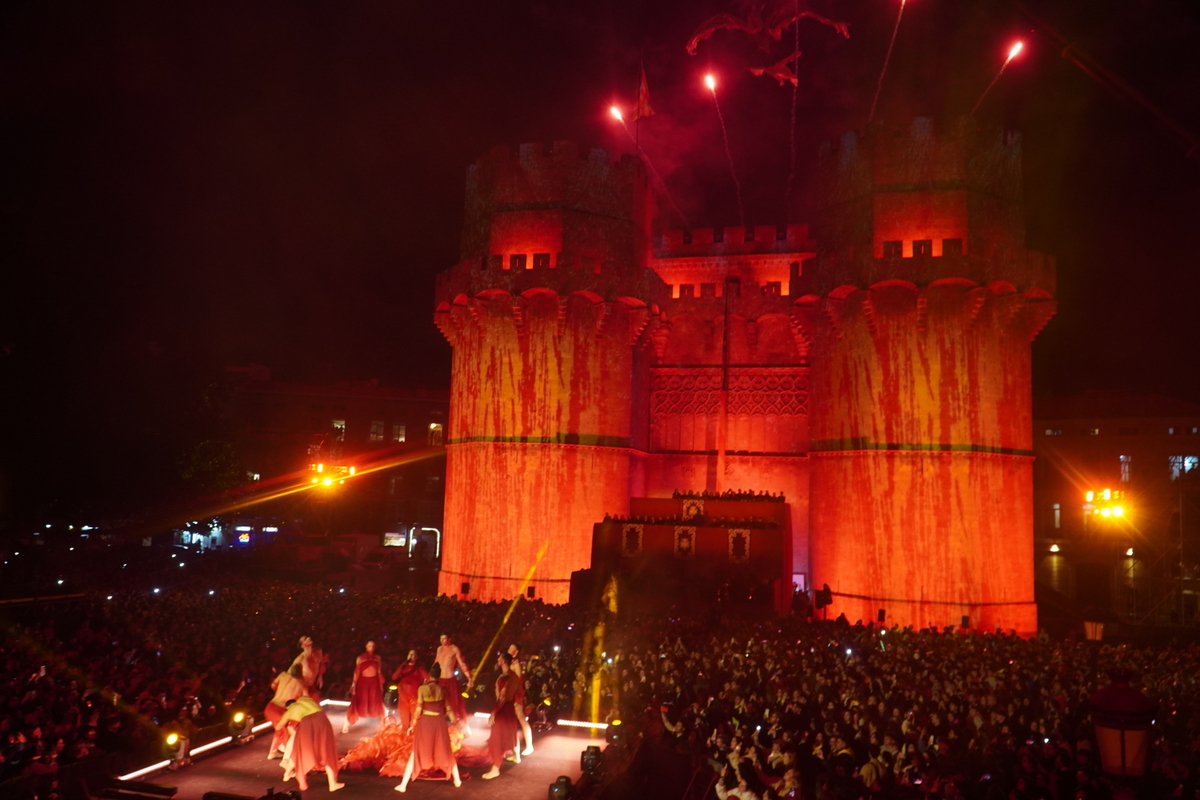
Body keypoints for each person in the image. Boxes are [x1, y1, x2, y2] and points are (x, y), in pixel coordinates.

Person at [394, 662, 462, 792]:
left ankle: (403, 785)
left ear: (429, 675)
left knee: (416, 751)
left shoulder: (422, 689)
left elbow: (418, 709)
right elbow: (449, 710)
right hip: (439, 722)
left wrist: (412, 725)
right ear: (439, 676)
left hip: (426, 722)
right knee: (446, 750)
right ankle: (457, 780)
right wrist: (456, 724)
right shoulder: (443, 690)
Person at [277, 696, 344, 792]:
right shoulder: (304, 699)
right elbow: (318, 707)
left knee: (300, 751)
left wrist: (283, 723)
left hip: (306, 724)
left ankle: (287, 774)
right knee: (326, 752)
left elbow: (278, 726)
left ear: (287, 707)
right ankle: (332, 784)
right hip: (321, 719)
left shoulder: (288, 712)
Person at [481, 652, 521, 780]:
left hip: (503, 709)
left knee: (496, 739)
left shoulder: (507, 677)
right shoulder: (512, 676)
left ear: (503, 661)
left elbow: (503, 698)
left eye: (499, 658)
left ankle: (495, 768)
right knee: (507, 735)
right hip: (508, 709)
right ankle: (516, 756)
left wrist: (493, 713)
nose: (497, 659)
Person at [265, 663, 309, 759]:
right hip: (279, 709)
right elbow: (306, 698)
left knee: (279, 730)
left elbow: (273, 685)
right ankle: (286, 754)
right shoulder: (300, 684)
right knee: (287, 731)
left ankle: (272, 752)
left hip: (270, 706)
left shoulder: (283, 675)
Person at [344, 640, 385, 734]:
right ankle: (346, 723)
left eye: (373, 645)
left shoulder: (377, 658)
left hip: (374, 682)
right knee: (357, 702)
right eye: (369, 645)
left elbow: (379, 671)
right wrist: (353, 684)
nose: (371, 647)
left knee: (377, 702)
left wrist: (381, 684)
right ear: (366, 646)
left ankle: (382, 725)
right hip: (363, 682)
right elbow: (357, 672)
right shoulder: (360, 658)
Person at [435, 634, 472, 729]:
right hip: (440, 680)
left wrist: (469, 678)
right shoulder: (439, 649)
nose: (443, 640)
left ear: (449, 639)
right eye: (441, 638)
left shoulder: (454, 648)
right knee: (439, 705)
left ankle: (460, 728)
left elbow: (462, 664)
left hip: (450, 680)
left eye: (445, 638)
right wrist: (429, 677)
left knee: (454, 705)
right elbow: (436, 663)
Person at [507, 643, 534, 756]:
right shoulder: (510, 662)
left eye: (510, 648)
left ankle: (529, 746)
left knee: (521, 719)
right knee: (513, 720)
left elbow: (518, 681)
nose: (508, 649)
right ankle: (515, 748)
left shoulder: (516, 663)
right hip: (510, 693)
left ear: (516, 651)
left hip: (516, 694)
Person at [392, 649, 429, 731]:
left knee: (415, 721)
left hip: (414, 697)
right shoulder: (403, 667)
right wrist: (402, 666)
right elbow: (394, 677)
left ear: (417, 657)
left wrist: (424, 687)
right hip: (403, 697)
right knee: (405, 722)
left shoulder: (419, 669)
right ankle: (406, 739)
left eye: (413, 654)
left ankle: (415, 740)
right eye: (410, 654)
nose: (411, 656)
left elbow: (429, 678)